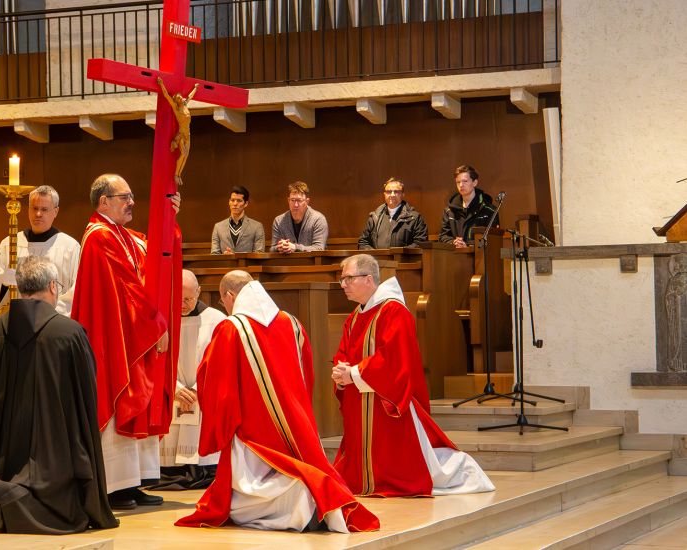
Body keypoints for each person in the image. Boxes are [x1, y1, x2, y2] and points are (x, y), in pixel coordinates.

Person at [176, 271, 379, 533]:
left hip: (251, 426)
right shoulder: (292, 323)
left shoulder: (232, 327)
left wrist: (220, 421)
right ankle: (318, 500)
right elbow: (306, 374)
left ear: (230, 295)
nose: (224, 306)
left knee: (249, 488)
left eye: (223, 301)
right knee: (301, 465)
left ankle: (302, 507)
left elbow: (218, 383)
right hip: (295, 419)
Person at [0, 256, 118, 534]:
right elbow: (85, 403)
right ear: (52, 286)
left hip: (2, 460)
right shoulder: (70, 333)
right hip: (55, 466)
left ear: (20, 286)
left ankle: (0, 501)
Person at [330, 254, 495, 497]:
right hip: (361, 398)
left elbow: (395, 358)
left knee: (401, 460)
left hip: (387, 400)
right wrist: (340, 371)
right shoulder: (355, 316)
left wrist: (353, 374)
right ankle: (366, 481)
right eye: (342, 279)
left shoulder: (393, 311)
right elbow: (343, 352)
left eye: (348, 278)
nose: (343, 284)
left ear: (368, 279)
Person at [71, 173, 181, 510]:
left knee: (138, 398)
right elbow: (129, 288)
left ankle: (134, 481)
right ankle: (115, 487)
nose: (132, 202)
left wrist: (171, 220)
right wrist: (156, 325)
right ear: (103, 202)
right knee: (118, 397)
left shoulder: (126, 236)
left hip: (132, 332)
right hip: (113, 337)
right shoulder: (99, 237)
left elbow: (158, 259)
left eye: (132, 196)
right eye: (124, 197)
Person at [154, 270, 225, 490]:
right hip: (171, 391)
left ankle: (203, 467)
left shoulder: (216, 320)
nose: (183, 305)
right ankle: (169, 470)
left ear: (199, 292)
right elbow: (155, 358)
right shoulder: (161, 320)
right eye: (178, 299)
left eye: (188, 299)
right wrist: (174, 386)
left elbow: (221, 360)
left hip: (202, 394)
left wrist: (196, 389)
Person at [0, 185, 80, 317]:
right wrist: (2, 281)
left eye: (44, 209)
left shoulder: (70, 248)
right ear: (28, 209)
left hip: (54, 321)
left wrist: (46, 315)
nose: (38, 214)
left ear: (55, 212)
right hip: (17, 320)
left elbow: (77, 291)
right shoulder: (9, 245)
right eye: (34, 208)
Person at [358, 177, 428, 249]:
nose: (392, 195)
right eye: (389, 192)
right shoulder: (374, 217)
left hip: (403, 257)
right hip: (377, 256)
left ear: (403, 194)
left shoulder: (415, 218)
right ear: (384, 194)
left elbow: (421, 243)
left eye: (396, 192)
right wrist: (375, 254)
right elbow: (363, 242)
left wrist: (400, 252)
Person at [439, 165, 499, 248]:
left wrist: (467, 246)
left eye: (465, 181)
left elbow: (492, 240)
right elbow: (443, 236)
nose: (461, 185)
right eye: (458, 182)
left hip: (478, 255)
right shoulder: (449, 211)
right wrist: (453, 242)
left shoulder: (490, 211)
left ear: (475, 182)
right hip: (455, 254)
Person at [158, 76, 200, 186]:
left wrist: (195, 88)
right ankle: (176, 175)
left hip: (188, 134)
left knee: (186, 156)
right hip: (181, 135)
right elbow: (166, 96)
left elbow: (190, 96)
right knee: (183, 154)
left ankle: (179, 174)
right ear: (176, 101)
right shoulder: (176, 108)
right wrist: (161, 84)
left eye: (181, 97)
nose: (181, 98)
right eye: (178, 98)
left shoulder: (185, 104)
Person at [271, 181, 328, 253]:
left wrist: (295, 247)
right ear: (288, 200)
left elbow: (319, 248)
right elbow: (272, 249)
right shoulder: (278, 221)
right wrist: (280, 247)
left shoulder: (318, 219)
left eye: (299, 200)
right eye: (292, 200)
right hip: (286, 260)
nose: (295, 205)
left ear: (307, 201)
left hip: (312, 260)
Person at [210, 186, 266, 254]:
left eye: (239, 201)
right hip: (226, 261)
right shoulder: (218, 227)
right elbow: (214, 254)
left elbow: (259, 253)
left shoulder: (257, 226)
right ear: (229, 202)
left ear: (246, 204)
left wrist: (235, 255)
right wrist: (225, 257)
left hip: (247, 261)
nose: (235, 204)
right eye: (232, 200)